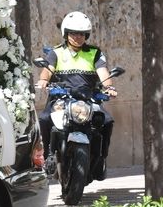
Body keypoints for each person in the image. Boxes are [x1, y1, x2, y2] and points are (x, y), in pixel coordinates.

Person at [34, 11, 117, 180]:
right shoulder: (56, 53)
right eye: (73, 33)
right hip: (61, 98)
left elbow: (103, 73)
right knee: (44, 119)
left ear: (86, 35)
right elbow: (47, 71)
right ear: (66, 33)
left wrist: (109, 87)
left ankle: (101, 159)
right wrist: (43, 81)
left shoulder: (94, 53)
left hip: (88, 99)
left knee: (106, 121)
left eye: (81, 34)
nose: (78, 37)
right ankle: (47, 156)